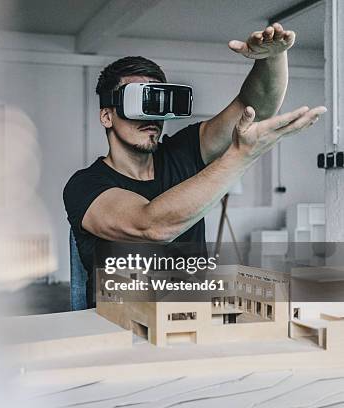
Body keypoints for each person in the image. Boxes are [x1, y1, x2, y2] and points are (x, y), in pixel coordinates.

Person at [63, 23, 327, 309]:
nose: (151, 116)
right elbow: (151, 226)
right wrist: (241, 155)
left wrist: (272, 58)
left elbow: (254, 107)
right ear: (107, 116)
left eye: (158, 103)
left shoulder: (184, 151)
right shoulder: (85, 186)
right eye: (140, 102)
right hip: (118, 327)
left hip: (189, 318)